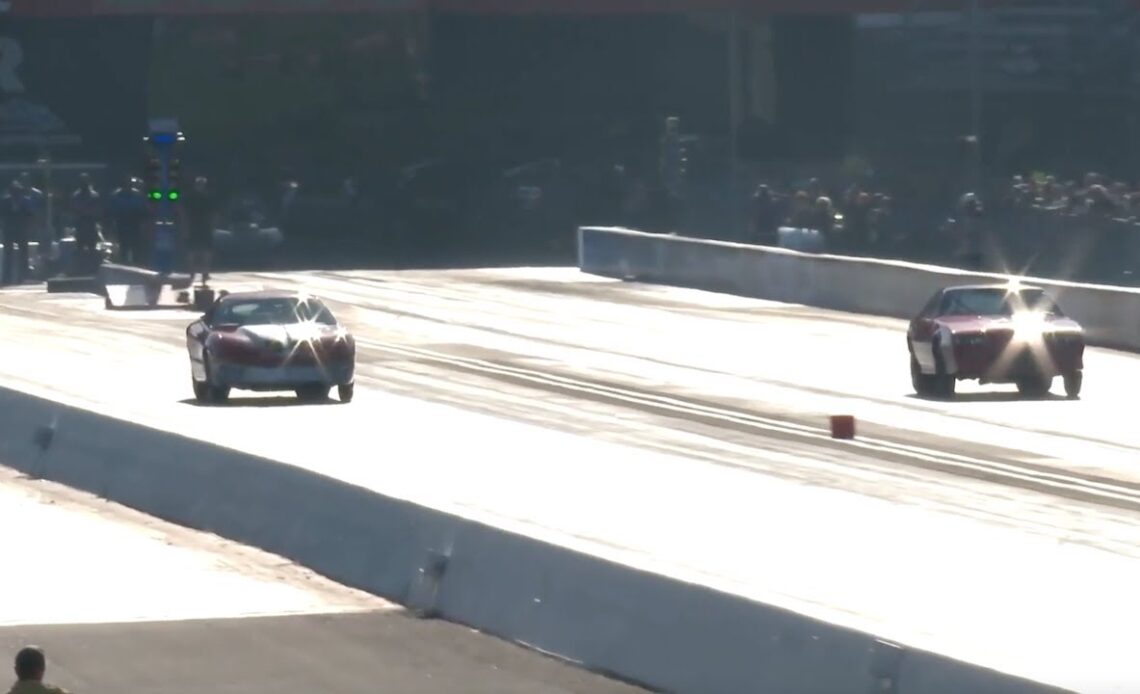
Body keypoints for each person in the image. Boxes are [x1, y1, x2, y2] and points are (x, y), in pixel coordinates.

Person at [181, 175, 216, 285]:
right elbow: (214, 214)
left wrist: (185, 226)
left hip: (197, 226)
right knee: (200, 251)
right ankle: (200, 273)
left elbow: (183, 212)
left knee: (198, 250)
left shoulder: (190, 197)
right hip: (200, 226)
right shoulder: (208, 197)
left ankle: (197, 273)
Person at [0, 179, 35, 285]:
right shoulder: (5, 201)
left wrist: (29, 226)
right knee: (8, 253)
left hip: (21, 230)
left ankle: (23, 277)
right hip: (9, 230)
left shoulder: (25, 201)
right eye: (13, 191)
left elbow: (30, 215)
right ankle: (7, 277)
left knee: (24, 254)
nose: (15, 193)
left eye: (17, 190)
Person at [109, 176, 148, 265]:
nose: (127, 186)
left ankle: (137, 262)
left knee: (136, 245)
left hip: (135, 223)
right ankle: (123, 262)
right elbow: (112, 211)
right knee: (123, 245)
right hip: (121, 223)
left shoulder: (137, 195)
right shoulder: (116, 195)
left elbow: (142, 209)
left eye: (129, 184)